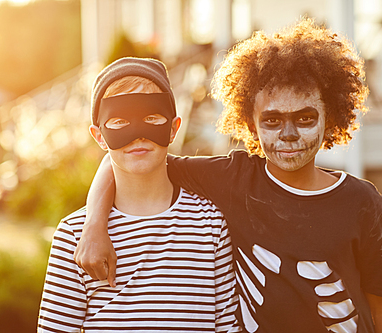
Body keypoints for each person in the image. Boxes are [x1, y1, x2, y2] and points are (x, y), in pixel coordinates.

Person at [75, 19, 382, 333]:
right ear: (250, 122)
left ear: (333, 114)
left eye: (305, 117)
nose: (288, 134)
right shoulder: (233, 179)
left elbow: (380, 305)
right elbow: (132, 155)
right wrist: (94, 225)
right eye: (271, 120)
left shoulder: (362, 202)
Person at [38, 57, 240, 333]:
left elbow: (228, 325)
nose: (137, 135)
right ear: (99, 136)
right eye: (119, 121)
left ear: (173, 128)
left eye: (151, 118)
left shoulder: (211, 225)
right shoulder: (74, 237)